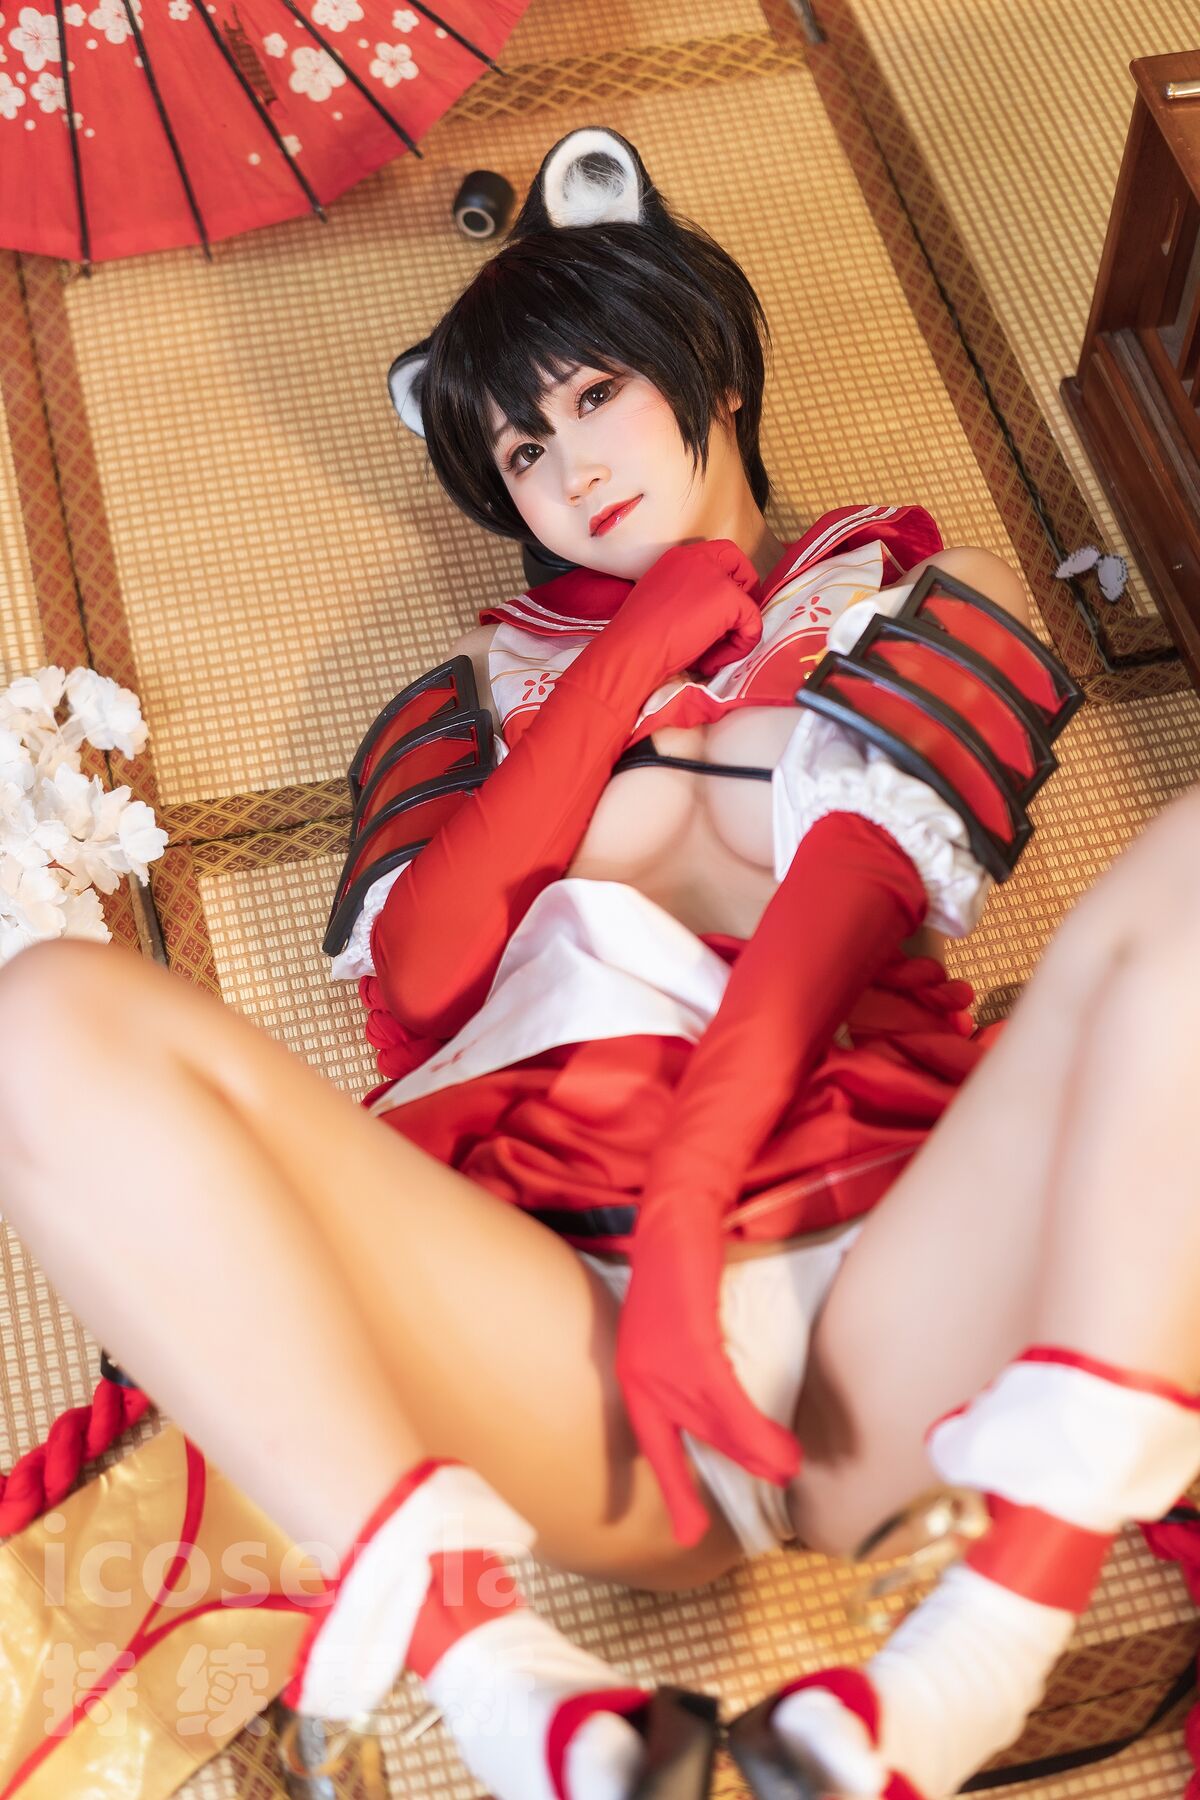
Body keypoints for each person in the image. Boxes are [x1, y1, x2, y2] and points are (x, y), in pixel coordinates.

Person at [1, 125, 1197, 1800]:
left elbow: (853, 893)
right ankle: (508, 1689)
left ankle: (976, 1657)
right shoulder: (468, 695)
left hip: (894, 1275)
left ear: (709, 364)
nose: (569, 466)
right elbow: (426, 977)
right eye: (519, 446)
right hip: (568, 1333)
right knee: (42, 1015)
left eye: (595, 393)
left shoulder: (913, 588)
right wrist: (635, 646)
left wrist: (703, 1199)